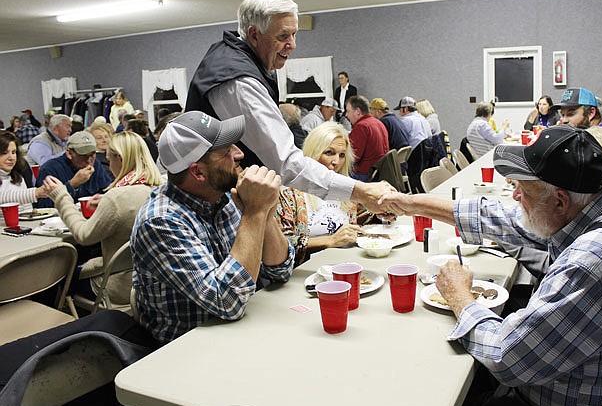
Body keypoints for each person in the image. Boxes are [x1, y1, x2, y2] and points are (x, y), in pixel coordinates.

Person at [378, 125, 602, 406]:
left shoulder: (592, 262)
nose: (514, 196)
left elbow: (506, 358)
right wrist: (410, 204)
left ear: (559, 200)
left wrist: (459, 296)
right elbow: (503, 219)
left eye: (523, 189)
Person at [184, 0, 394, 215]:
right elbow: (286, 164)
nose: (292, 44)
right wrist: (361, 192)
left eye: (294, 34)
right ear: (254, 34)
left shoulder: (248, 60)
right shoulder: (237, 80)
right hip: (209, 201)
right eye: (283, 36)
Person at [131, 111, 294, 344]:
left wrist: (264, 210)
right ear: (198, 172)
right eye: (227, 152)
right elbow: (228, 302)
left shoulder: (225, 196)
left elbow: (279, 271)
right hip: (191, 351)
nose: (240, 154)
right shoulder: (161, 222)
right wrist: (255, 212)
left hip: (247, 330)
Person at [41, 132, 163, 306]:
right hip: (152, 279)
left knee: (58, 278)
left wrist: (61, 196)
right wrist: (106, 201)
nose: (108, 166)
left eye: (109, 160)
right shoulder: (159, 188)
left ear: (119, 158)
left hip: (120, 286)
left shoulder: (117, 198)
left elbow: (84, 236)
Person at [276, 122, 375, 265]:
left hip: (347, 264)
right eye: (329, 153)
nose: (336, 161)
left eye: (342, 155)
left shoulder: (345, 187)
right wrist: (331, 240)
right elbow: (281, 244)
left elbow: (357, 217)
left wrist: (378, 210)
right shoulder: (289, 192)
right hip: (306, 271)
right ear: (313, 153)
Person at [35, 131, 113, 208]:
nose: (89, 160)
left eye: (92, 154)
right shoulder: (50, 169)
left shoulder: (95, 164)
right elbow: (43, 206)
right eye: (84, 155)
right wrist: (72, 184)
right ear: (69, 154)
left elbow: (107, 190)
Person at [0, 131, 48, 210]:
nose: (11, 158)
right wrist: (35, 193)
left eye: (13, 152)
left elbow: (27, 210)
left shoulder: (18, 177)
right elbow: (3, 197)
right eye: (5, 153)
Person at [346, 95, 389, 181]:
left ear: (358, 111)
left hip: (364, 174)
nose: (347, 115)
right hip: (378, 172)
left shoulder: (361, 127)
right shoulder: (378, 122)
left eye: (348, 111)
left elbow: (354, 157)